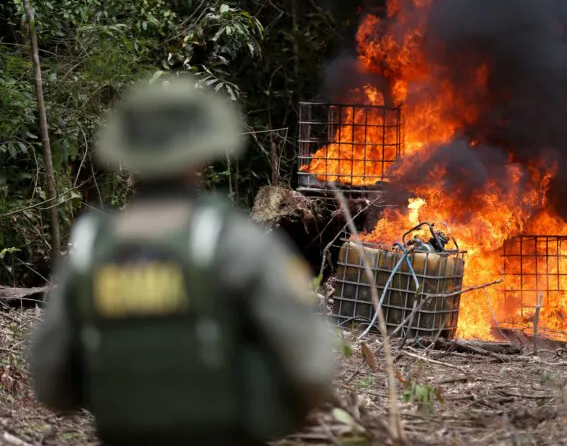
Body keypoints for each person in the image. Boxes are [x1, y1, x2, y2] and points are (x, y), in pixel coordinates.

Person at [27, 75, 336, 446]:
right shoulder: (235, 242)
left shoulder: (92, 247)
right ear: (200, 154)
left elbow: (50, 383)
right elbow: (312, 367)